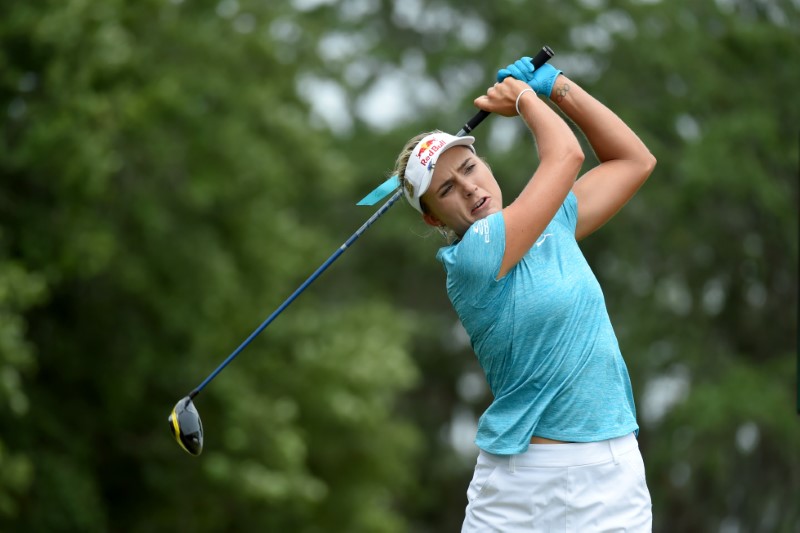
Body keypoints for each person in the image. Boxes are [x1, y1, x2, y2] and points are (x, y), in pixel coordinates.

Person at [391, 57, 657, 531]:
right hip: (519, 487)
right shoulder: (472, 258)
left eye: (470, 167)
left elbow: (634, 161)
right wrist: (523, 98)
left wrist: (558, 86)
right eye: (447, 188)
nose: (470, 188)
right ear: (433, 219)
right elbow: (566, 156)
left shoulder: (556, 219)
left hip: (612, 475)